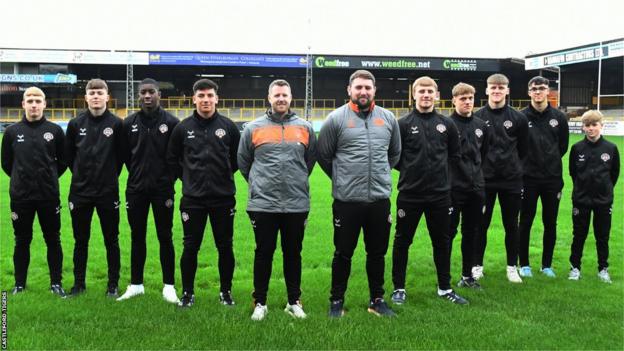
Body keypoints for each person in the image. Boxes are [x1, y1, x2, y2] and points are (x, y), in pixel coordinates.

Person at [318, 70, 401, 318]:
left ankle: (377, 299)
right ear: (349, 90)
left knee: (377, 254)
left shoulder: (388, 118)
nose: (363, 92)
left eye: (367, 87)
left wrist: (379, 175)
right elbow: (324, 156)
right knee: (343, 253)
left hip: (378, 200)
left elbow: (394, 153)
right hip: (347, 202)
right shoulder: (335, 119)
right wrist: (344, 179)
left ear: (374, 90)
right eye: (358, 88)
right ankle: (336, 301)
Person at [238, 79, 317, 321]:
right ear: (269, 98)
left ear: (291, 97)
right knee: (263, 253)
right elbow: (243, 163)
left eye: (285, 95)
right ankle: (260, 301)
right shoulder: (253, 128)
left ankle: (294, 301)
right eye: (277, 95)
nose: (281, 99)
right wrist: (260, 185)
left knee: (293, 253)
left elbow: (310, 161)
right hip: (263, 204)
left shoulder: (305, 127)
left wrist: (295, 182)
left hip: (296, 204)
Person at [390, 77, 467, 305]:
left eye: (429, 91)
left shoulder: (447, 125)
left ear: (436, 94)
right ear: (413, 95)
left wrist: (442, 178)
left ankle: (445, 288)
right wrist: (411, 171)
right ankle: (399, 288)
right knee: (402, 241)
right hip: (410, 194)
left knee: (442, 242)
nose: (425, 95)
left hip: (440, 195)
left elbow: (455, 156)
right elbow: (394, 157)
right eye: (421, 91)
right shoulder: (402, 124)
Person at [166, 78, 240, 308]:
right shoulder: (182, 128)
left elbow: (237, 159)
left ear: (217, 99)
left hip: (223, 198)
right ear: (194, 98)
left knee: (225, 246)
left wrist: (221, 176)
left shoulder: (228, 127)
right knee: (190, 247)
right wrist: (189, 178)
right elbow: (172, 160)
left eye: (210, 96)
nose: (206, 100)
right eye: (201, 96)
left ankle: (225, 292)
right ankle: (187, 293)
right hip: (193, 200)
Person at [117, 79, 180, 303]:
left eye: (151, 92)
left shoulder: (172, 122)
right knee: (137, 237)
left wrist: (166, 179)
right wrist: (138, 175)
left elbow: (176, 158)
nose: (146, 96)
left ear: (158, 95)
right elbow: (125, 156)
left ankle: (169, 286)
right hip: (135, 190)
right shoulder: (128, 123)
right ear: (138, 96)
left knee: (165, 236)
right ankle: (136, 284)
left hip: (163, 190)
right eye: (142, 92)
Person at [1, 87, 67, 297]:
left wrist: (47, 178)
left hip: (48, 196)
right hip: (21, 197)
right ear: (23, 104)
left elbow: (63, 162)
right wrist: (22, 179)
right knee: (22, 240)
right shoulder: (11, 132)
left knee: (53, 239)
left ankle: (56, 283)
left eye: (38, 100)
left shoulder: (55, 131)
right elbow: (6, 163)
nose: (34, 104)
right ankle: (19, 284)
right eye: (29, 100)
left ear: (45, 104)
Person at [65, 79, 124, 297]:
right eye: (92, 93)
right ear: (86, 97)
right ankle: (79, 284)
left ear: (107, 97)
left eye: (100, 92)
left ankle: (113, 284)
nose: (96, 96)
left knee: (112, 239)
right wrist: (83, 176)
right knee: (81, 240)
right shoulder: (75, 124)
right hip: (80, 192)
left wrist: (107, 177)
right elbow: (69, 157)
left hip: (108, 192)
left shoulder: (117, 124)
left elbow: (120, 158)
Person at [473, 73, 528, 283]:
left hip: (511, 181)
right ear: (486, 90)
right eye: (493, 87)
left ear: (507, 90)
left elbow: (523, 150)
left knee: (511, 224)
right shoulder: (477, 117)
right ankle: (477, 265)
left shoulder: (518, 118)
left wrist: (511, 167)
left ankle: (511, 267)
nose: (496, 91)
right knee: (480, 225)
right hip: (483, 181)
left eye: (501, 87)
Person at [518, 76, 569, 278]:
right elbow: (518, 147)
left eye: (541, 88)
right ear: (529, 92)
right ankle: (524, 265)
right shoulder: (521, 117)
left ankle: (546, 265)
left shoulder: (559, 117)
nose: (538, 92)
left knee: (550, 222)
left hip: (552, 179)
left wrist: (550, 161)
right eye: (534, 88)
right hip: (527, 179)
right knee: (526, 221)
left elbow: (562, 147)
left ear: (548, 91)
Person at [568, 110, 619, 283]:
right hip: (581, 200)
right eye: (587, 125)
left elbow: (614, 174)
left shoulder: (611, 148)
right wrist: (581, 190)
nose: (590, 129)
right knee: (579, 235)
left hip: (603, 201)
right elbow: (573, 173)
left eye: (594, 125)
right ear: (583, 127)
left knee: (602, 236)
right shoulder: (577, 148)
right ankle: (575, 268)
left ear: (601, 126)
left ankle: (603, 269)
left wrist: (605, 190)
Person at [448, 82, 490, 290]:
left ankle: (467, 276)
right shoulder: (446, 124)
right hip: (453, 189)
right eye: (462, 98)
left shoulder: (482, 126)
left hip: (476, 189)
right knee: (448, 233)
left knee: (471, 232)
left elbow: (482, 156)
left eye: (470, 98)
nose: (467, 102)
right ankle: (444, 278)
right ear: (454, 100)